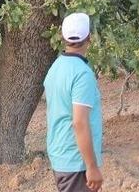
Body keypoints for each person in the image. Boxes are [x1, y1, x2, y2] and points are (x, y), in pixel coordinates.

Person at [43, 12, 103, 192]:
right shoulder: (82, 74)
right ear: (89, 38)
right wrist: (92, 166)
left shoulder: (56, 67)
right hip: (76, 161)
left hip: (61, 155)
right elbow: (79, 122)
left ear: (63, 38)